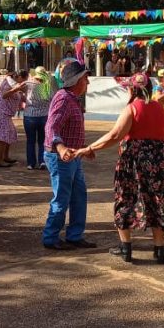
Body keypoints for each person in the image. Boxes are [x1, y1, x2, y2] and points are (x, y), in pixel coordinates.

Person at [77, 72, 164, 263]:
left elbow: (115, 135)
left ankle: (126, 248)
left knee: (126, 198)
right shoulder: (159, 108)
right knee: (158, 200)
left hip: (135, 160)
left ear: (132, 89)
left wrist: (89, 147)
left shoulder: (132, 109)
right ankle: (159, 248)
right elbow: (162, 134)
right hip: (161, 159)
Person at [42, 60, 96, 251]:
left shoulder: (72, 98)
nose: (88, 83)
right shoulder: (63, 98)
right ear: (77, 80)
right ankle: (50, 237)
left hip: (72, 156)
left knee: (78, 196)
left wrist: (82, 148)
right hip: (60, 157)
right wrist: (61, 147)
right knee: (62, 198)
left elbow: (67, 127)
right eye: (86, 78)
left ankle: (74, 235)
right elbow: (51, 126)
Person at [0, 69, 27, 167]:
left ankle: (5, 157)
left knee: (10, 134)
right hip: (0, 112)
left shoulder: (15, 84)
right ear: (19, 77)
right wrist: (17, 89)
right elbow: (4, 95)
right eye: (24, 79)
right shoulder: (8, 83)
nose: (24, 82)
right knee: (3, 137)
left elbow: (20, 96)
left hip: (6, 113)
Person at [23, 67, 53, 170]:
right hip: (44, 116)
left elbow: (18, 91)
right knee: (42, 141)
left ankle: (31, 163)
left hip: (29, 116)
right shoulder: (47, 86)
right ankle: (42, 161)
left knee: (30, 141)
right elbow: (52, 99)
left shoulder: (28, 84)